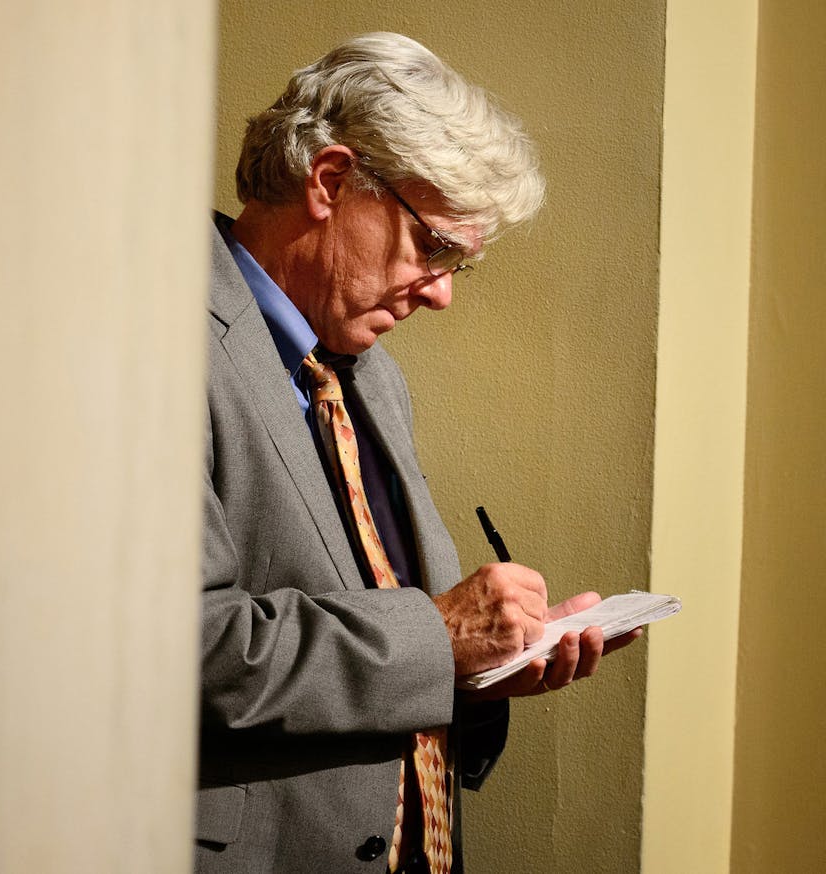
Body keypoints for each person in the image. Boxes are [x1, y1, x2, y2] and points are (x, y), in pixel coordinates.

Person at [197, 32, 639, 874]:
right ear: (329, 182)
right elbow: (187, 651)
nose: (439, 294)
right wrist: (438, 638)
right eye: (435, 248)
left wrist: (480, 673)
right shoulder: (156, 342)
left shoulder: (372, 378)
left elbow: (385, 646)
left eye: (458, 268)